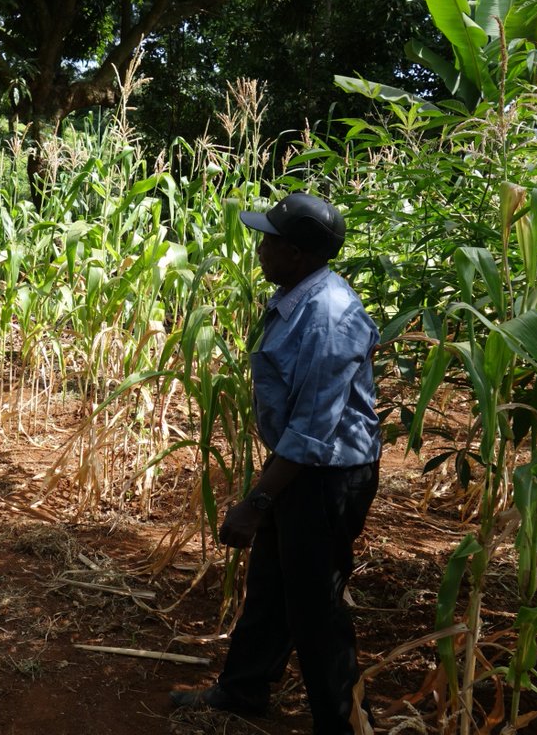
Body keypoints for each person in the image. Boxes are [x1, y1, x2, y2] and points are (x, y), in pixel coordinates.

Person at [171, 192, 381, 733]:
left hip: (326, 476)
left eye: (269, 240)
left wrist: (256, 502)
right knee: (271, 582)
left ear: (297, 253)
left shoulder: (328, 317)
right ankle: (243, 689)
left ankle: (341, 723)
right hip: (301, 467)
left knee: (314, 605)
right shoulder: (297, 294)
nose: (260, 248)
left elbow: (314, 430)